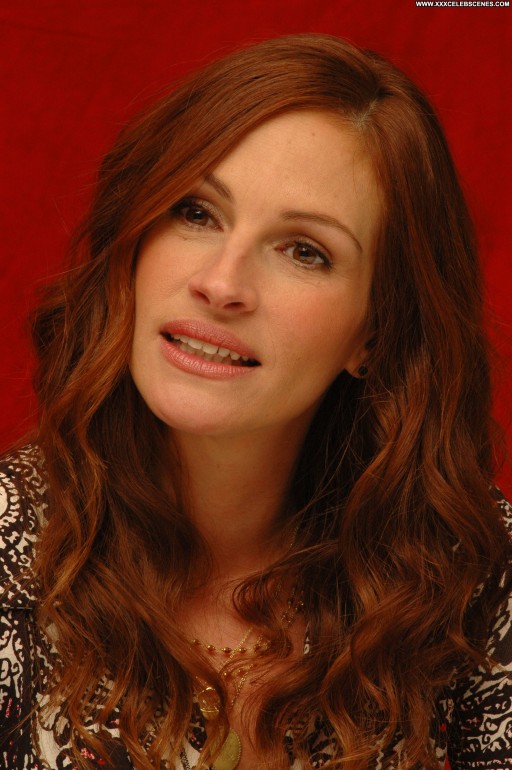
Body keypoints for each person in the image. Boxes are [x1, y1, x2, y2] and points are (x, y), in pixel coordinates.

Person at [0, 33, 511, 770]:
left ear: (375, 332)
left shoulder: (472, 575)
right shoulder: (11, 551)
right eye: (196, 212)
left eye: (305, 251)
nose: (221, 283)